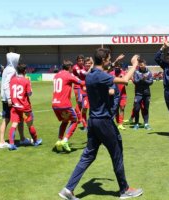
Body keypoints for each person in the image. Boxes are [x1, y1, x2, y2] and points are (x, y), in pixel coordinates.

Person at [58, 48, 143, 200]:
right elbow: (124, 81)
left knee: (88, 155)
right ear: (103, 60)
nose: (110, 61)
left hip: (93, 121)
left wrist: (115, 63)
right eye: (109, 59)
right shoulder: (99, 76)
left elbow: (105, 72)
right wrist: (134, 64)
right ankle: (124, 190)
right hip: (104, 121)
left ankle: (68, 189)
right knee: (116, 153)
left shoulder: (91, 74)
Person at [0, 52, 31, 149]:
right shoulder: (12, 70)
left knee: (15, 119)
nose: (18, 61)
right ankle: (2, 141)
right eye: (17, 59)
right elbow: (6, 84)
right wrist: (9, 98)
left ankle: (21, 138)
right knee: (8, 119)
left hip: (5, 97)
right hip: (9, 99)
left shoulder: (6, 69)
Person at [52, 60, 85, 152]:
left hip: (55, 104)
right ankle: (65, 140)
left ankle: (59, 141)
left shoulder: (56, 75)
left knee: (65, 121)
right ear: (70, 68)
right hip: (64, 104)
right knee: (75, 120)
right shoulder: (69, 75)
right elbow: (81, 83)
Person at [8, 64, 42, 150]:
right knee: (30, 125)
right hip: (25, 108)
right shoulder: (26, 81)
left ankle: (11, 144)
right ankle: (35, 141)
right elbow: (29, 93)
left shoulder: (12, 80)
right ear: (25, 71)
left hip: (15, 106)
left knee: (14, 124)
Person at [132, 58, 153, 130]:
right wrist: (142, 79)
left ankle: (146, 123)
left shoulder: (149, 72)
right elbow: (135, 82)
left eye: (142, 65)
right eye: (140, 65)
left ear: (145, 65)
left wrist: (145, 80)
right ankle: (136, 123)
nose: (141, 66)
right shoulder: (136, 72)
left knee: (146, 109)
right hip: (138, 93)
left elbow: (151, 82)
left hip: (147, 94)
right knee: (136, 109)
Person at [109, 55, 128, 130]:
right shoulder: (111, 73)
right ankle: (114, 122)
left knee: (122, 108)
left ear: (121, 67)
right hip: (114, 95)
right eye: (116, 66)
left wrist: (122, 79)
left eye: (119, 66)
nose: (117, 67)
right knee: (114, 109)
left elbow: (126, 83)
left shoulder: (123, 73)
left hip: (123, 94)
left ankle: (120, 124)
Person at [72, 55, 87, 130]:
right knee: (80, 102)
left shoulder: (84, 67)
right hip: (78, 87)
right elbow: (81, 73)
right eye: (79, 60)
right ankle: (81, 119)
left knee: (83, 105)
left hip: (84, 87)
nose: (81, 62)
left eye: (82, 60)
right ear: (77, 61)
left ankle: (78, 117)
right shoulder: (75, 67)